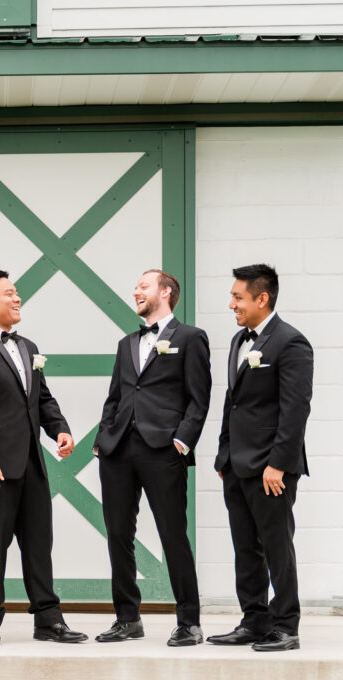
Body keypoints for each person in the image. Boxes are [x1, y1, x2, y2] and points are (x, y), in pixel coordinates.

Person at [0, 270, 86, 646]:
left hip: (30, 463)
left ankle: (48, 620)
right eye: (9, 293)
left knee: (39, 543)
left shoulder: (28, 346)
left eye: (17, 293)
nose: (17, 299)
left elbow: (41, 398)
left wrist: (59, 428)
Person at [92, 270, 211, 646]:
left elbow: (199, 399)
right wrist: (102, 440)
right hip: (117, 451)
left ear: (165, 292)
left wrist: (181, 443)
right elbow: (115, 396)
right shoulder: (126, 343)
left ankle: (189, 622)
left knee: (172, 534)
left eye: (143, 286)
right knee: (118, 535)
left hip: (163, 450)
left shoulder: (190, 338)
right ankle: (127, 618)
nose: (136, 291)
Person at [208, 264, 313, 652]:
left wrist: (278, 464)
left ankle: (286, 626)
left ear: (262, 298)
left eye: (238, 297)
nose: (231, 304)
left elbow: (295, 409)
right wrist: (223, 455)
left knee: (277, 547)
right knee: (245, 548)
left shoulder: (291, 342)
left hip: (271, 468)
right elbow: (232, 402)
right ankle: (254, 620)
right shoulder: (239, 340)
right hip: (236, 465)